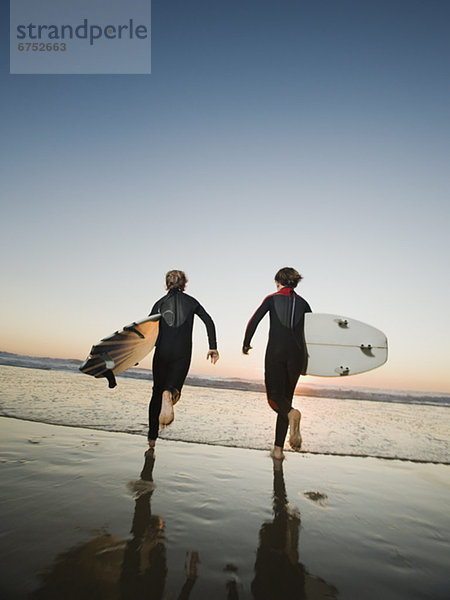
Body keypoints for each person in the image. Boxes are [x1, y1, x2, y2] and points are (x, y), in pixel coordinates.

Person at [242, 267, 311, 460]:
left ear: (278, 281)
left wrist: (246, 343)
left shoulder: (271, 298)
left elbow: (253, 321)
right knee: (286, 399)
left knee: (275, 398)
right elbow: (312, 334)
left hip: (276, 352)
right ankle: (278, 450)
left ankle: (292, 413)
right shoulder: (304, 304)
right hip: (297, 356)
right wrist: (308, 362)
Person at [148, 270, 219, 448]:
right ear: (185, 285)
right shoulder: (192, 302)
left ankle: (151, 439)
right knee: (174, 388)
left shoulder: (159, 303)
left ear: (166, 285)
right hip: (182, 353)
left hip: (161, 352)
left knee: (156, 392)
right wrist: (213, 347)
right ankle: (170, 394)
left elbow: (148, 330)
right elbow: (209, 321)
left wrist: (135, 354)